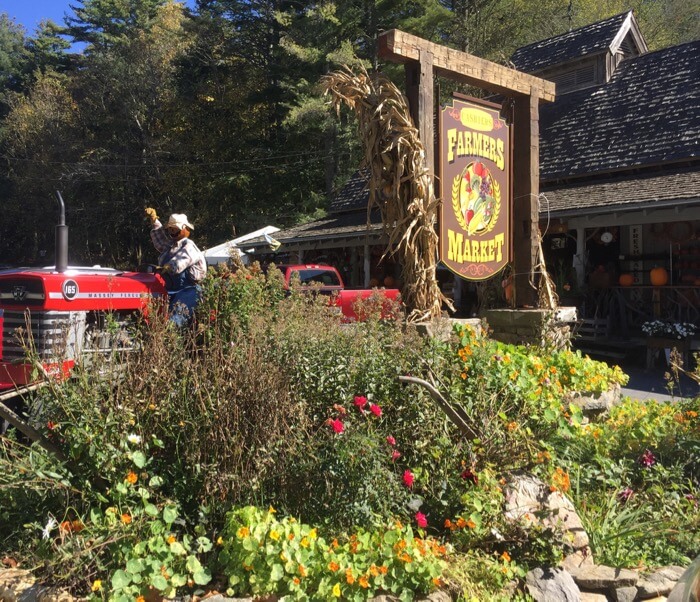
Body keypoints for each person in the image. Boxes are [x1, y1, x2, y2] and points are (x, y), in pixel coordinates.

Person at [145, 208, 207, 326]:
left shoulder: (189, 246)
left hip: (188, 290)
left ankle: (170, 336)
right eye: (171, 229)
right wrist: (154, 220)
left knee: (176, 318)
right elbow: (160, 240)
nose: (173, 232)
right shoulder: (170, 245)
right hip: (170, 290)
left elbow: (183, 259)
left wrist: (169, 267)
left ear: (185, 229)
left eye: (176, 229)